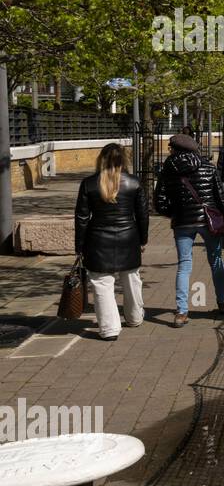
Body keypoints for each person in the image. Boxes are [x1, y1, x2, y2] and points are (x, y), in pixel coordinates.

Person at [154, 133, 224, 327]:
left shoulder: (168, 169)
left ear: (175, 149)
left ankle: (181, 312)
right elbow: (220, 197)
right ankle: (221, 303)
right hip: (209, 222)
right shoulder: (208, 166)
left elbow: (159, 201)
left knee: (184, 265)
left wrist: (174, 212)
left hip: (182, 222)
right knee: (215, 261)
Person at [74, 143, 148, 341]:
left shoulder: (89, 183)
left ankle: (109, 328)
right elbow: (142, 215)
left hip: (98, 239)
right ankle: (134, 317)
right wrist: (143, 239)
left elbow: (81, 218)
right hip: (128, 237)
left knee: (101, 284)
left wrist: (79, 246)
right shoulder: (134, 182)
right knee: (131, 279)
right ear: (124, 160)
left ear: (101, 159)